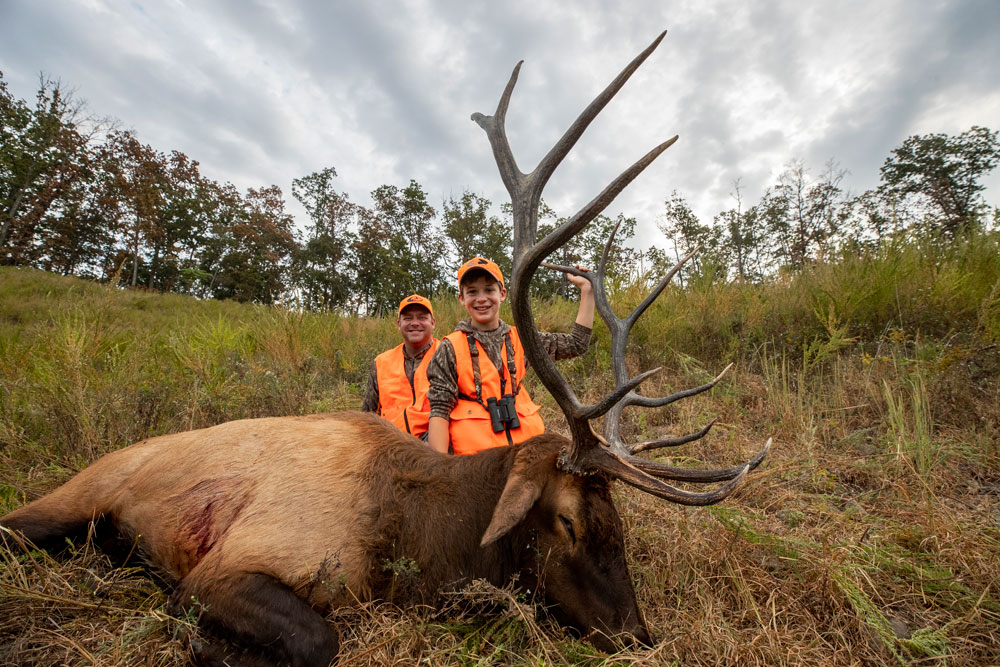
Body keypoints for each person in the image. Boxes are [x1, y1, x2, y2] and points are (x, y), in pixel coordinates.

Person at [425, 257, 594, 455]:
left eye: (489, 290)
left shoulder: (523, 338)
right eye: (472, 292)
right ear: (461, 298)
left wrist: (587, 292)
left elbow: (577, 344)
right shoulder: (450, 347)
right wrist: (441, 468)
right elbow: (439, 409)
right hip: (474, 466)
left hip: (526, 459)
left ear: (502, 294)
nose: (481, 298)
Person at [361, 294, 438, 439]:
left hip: (435, 448)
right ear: (398, 324)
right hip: (390, 445)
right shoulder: (381, 362)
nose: (415, 323)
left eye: (422, 317)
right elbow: (368, 415)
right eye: (408, 318)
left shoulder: (447, 355)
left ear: (433, 323)